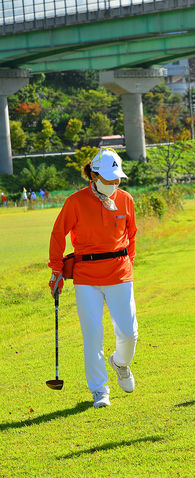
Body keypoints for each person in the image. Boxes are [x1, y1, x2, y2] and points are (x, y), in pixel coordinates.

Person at [48, 148, 139, 407]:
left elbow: (132, 235)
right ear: (95, 176)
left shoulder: (126, 200)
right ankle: (100, 390)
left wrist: (128, 262)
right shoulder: (76, 201)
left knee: (129, 333)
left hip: (120, 273)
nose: (115, 183)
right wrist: (57, 270)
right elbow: (58, 234)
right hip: (86, 276)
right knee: (92, 336)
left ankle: (120, 363)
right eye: (110, 179)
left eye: (117, 178)